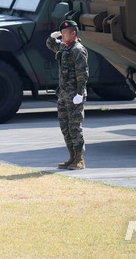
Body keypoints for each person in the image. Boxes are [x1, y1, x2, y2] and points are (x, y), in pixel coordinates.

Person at [46, 20, 89, 170]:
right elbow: (51, 45)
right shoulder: (65, 47)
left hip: (74, 95)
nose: (63, 35)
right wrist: (53, 37)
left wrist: (79, 93)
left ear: (73, 33)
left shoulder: (78, 50)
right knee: (65, 126)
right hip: (64, 94)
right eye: (62, 33)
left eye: (65, 33)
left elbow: (82, 74)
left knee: (75, 126)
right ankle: (71, 157)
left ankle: (79, 159)